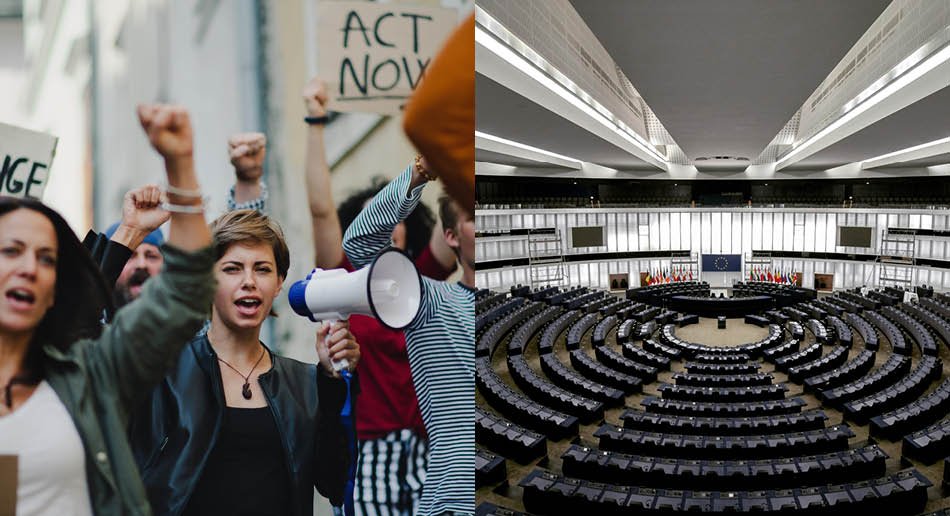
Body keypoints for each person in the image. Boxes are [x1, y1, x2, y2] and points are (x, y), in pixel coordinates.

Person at [226, 78, 457, 516]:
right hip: (369, 450)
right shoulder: (344, 276)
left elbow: (458, 223)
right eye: (376, 216)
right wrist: (316, 120)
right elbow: (320, 209)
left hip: (425, 448)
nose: (387, 225)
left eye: (393, 216)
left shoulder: (420, 278)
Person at [0, 103, 215, 514]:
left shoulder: (91, 374)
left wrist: (180, 166)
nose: (29, 268)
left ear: (54, 290)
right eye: (12, 251)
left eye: (46, 258)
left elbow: (183, 293)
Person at [129, 208, 361, 516]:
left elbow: (334, 483)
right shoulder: (164, 370)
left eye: (262, 269)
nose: (249, 281)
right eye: (232, 269)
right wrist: (127, 234)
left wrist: (333, 382)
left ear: (279, 283)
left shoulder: (304, 382)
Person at [343, 159, 475, 516]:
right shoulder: (430, 300)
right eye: (475, 216)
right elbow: (360, 244)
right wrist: (420, 172)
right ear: (452, 237)